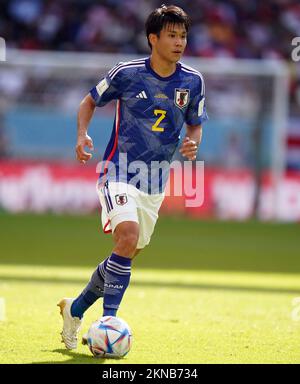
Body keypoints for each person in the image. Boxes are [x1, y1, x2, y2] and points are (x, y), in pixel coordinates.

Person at [58, 4, 208, 350]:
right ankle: (109, 322)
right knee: (127, 237)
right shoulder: (126, 73)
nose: (180, 42)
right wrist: (82, 136)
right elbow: (89, 101)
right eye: (172, 35)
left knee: (127, 253)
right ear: (153, 38)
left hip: (155, 182)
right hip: (118, 172)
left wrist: (192, 144)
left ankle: (75, 308)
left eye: (183, 35)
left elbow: (196, 125)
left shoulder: (193, 81)